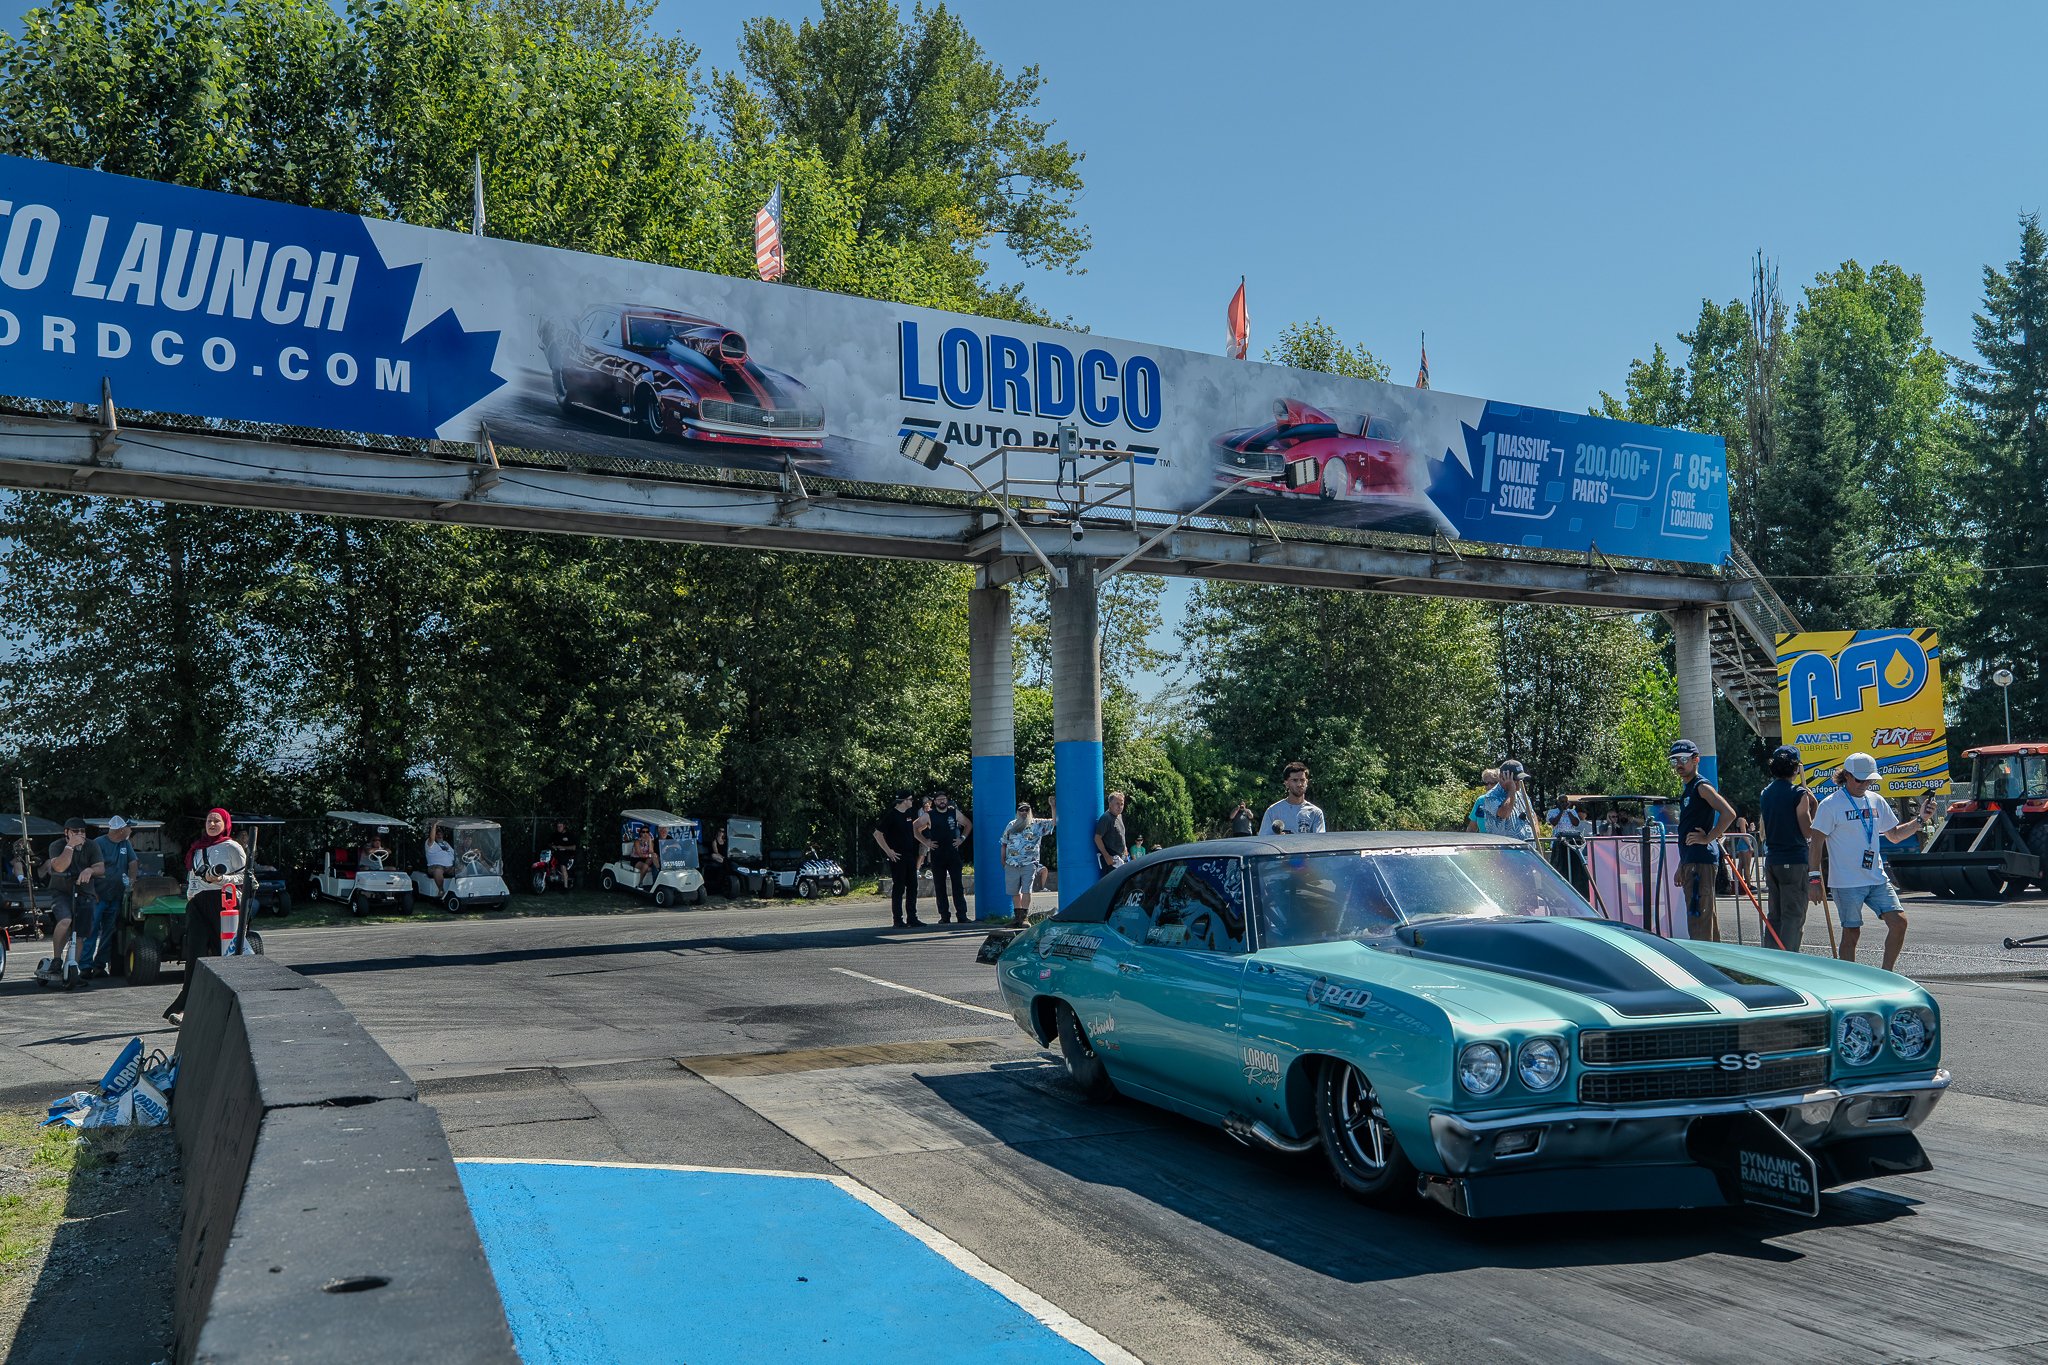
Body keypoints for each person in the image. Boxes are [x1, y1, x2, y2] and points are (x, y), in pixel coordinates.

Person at [1809, 753, 1933, 971]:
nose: (1864, 784)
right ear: (1846, 776)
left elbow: (1894, 835)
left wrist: (1920, 820)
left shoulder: (1876, 800)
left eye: (1869, 780)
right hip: (1846, 882)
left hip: (1876, 878)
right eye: (1859, 779)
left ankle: (1886, 975)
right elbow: (1816, 842)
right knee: (1851, 933)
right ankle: (1849, 981)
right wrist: (1814, 879)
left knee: (1899, 923)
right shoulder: (1830, 805)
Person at [165, 808, 246, 1023]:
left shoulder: (232, 847)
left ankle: (232, 1006)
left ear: (225, 824)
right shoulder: (197, 849)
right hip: (199, 904)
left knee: (226, 954)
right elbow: (193, 877)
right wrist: (191, 898)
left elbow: (246, 877)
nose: (211, 824)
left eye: (216, 821)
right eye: (209, 820)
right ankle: (186, 1009)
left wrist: (221, 879)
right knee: (195, 957)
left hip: (225, 903)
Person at [1666, 739, 1735, 942]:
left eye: (1684, 759)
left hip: (1701, 861)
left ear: (1696, 760)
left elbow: (1728, 813)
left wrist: (1708, 838)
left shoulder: (1700, 786)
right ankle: (1715, 963)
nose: (1679, 764)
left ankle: (1703, 965)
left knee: (1699, 917)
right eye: (1674, 760)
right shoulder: (1688, 789)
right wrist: (1682, 863)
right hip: (1692, 860)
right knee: (1704, 917)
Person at [1759, 745, 1817, 952]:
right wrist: (1814, 805)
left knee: (1775, 915)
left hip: (1772, 859)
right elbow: (1807, 831)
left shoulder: (1766, 793)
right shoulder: (1798, 794)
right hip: (1794, 859)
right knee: (1793, 914)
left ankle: (1772, 956)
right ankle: (1789, 959)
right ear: (1795, 768)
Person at [37, 818, 103, 986]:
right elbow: (59, 867)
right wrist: (70, 846)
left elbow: (101, 868)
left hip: (84, 892)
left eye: (82, 831)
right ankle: (57, 960)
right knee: (65, 920)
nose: (80, 834)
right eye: (75, 831)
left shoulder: (91, 845)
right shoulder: (57, 846)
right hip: (61, 891)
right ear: (66, 832)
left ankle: (72, 965)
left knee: (80, 934)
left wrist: (90, 869)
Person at [83, 815, 142, 978]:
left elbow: (133, 862)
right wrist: (91, 891)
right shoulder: (98, 843)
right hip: (98, 895)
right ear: (121, 829)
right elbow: (88, 868)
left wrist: (131, 882)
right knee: (91, 931)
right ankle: (85, 966)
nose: (131, 831)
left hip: (116, 896)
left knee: (109, 932)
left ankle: (99, 966)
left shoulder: (125, 843)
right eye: (129, 828)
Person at [873, 791, 929, 927]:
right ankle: (897, 919)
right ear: (904, 801)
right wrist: (888, 851)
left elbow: (912, 831)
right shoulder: (892, 815)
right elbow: (877, 834)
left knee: (913, 886)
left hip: (910, 855)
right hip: (898, 857)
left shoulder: (909, 814)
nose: (912, 802)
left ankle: (912, 917)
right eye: (910, 799)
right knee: (899, 887)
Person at [917, 790, 973, 925]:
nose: (942, 801)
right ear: (934, 802)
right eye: (939, 799)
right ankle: (944, 916)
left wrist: (962, 838)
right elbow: (915, 828)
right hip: (937, 854)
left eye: (944, 799)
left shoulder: (954, 812)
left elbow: (968, 824)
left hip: (953, 854)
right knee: (940, 886)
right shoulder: (929, 815)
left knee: (957, 885)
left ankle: (962, 915)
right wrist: (926, 842)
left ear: (947, 800)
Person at [1001, 797, 1056, 926]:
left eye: (1026, 810)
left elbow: (1054, 823)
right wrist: (1003, 859)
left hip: (1029, 863)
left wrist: (1053, 807)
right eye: (1021, 810)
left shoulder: (1036, 824)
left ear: (1030, 811)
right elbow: (1004, 843)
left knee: (1027, 889)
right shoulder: (1011, 824)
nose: (1024, 812)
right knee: (1014, 891)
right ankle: (1017, 918)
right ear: (1017, 812)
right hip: (1012, 863)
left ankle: (1025, 917)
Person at [1262, 761, 1328, 836]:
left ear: (1307, 782)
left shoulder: (1315, 813)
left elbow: (1319, 842)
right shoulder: (1273, 811)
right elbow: (1264, 840)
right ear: (1286, 783)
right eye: (1295, 780)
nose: (1299, 784)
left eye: (1302, 780)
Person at [1478, 761, 1537, 842]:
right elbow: (1504, 813)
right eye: (1516, 779)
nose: (1520, 782)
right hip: (1505, 851)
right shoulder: (1491, 796)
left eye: (1521, 779)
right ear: (1502, 777)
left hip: (1526, 849)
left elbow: (1532, 815)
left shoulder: (1522, 794)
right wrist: (1511, 789)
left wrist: (1536, 834)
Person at [1093, 791, 1129, 875]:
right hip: (1111, 859)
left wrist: (1125, 848)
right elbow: (1097, 838)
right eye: (1117, 803)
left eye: (1122, 804)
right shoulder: (1106, 818)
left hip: (1121, 857)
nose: (1120, 807)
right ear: (1110, 804)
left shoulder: (1119, 816)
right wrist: (1107, 856)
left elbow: (1120, 833)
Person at [423, 822, 456, 896]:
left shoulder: (445, 843)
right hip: (435, 866)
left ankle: (461, 889)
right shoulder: (430, 843)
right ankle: (441, 891)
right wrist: (434, 825)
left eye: (440, 834)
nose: (439, 835)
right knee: (438, 871)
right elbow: (431, 838)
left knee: (462, 868)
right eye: (437, 834)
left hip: (449, 867)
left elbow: (455, 854)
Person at [1465, 769, 1500, 833]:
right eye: (1486, 783)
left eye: (1493, 783)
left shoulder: (1505, 800)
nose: (1489, 786)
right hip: (1484, 841)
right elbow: (1472, 828)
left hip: (1501, 840)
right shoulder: (1480, 800)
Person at [548, 820, 580, 891]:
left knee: (562, 865)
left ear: (564, 826)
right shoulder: (555, 834)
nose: (559, 828)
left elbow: (574, 847)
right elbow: (549, 843)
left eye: (560, 826)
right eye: (558, 826)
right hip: (556, 853)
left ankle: (565, 886)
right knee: (550, 861)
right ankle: (552, 878)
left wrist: (563, 847)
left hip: (567, 854)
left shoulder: (569, 835)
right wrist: (552, 846)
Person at [705, 825, 731, 899]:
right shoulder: (715, 841)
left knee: (726, 859)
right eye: (720, 831)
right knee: (714, 855)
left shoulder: (725, 841)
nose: (721, 833)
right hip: (718, 855)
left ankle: (725, 865)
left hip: (725, 856)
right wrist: (722, 856)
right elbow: (715, 851)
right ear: (717, 832)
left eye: (723, 831)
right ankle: (724, 863)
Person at [629, 824, 657, 889]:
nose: (645, 833)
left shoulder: (651, 842)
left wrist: (649, 841)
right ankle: (640, 882)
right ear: (640, 833)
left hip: (645, 860)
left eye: (647, 832)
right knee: (647, 866)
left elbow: (651, 852)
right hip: (636, 859)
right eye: (643, 832)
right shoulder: (637, 841)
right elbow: (640, 854)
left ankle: (654, 882)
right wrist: (650, 855)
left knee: (651, 860)